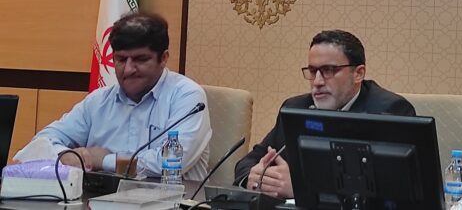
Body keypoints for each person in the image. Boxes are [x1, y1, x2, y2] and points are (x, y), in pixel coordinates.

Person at [18, 12, 212, 180]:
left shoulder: (187, 96)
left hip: (170, 202)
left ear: (163, 58)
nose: (128, 69)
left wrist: (103, 160)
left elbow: (171, 163)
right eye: (120, 59)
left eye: (140, 59)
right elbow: (41, 143)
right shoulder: (99, 101)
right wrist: (67, 155)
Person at [233, 30, 415, 198]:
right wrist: (254, 177)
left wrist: (303, 187)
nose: (317, 82)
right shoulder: (296, 108)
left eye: (328, 70)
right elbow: (250, 161)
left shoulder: (390, 111)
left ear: (358, 74)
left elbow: (396, 190)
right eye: (313, 71)